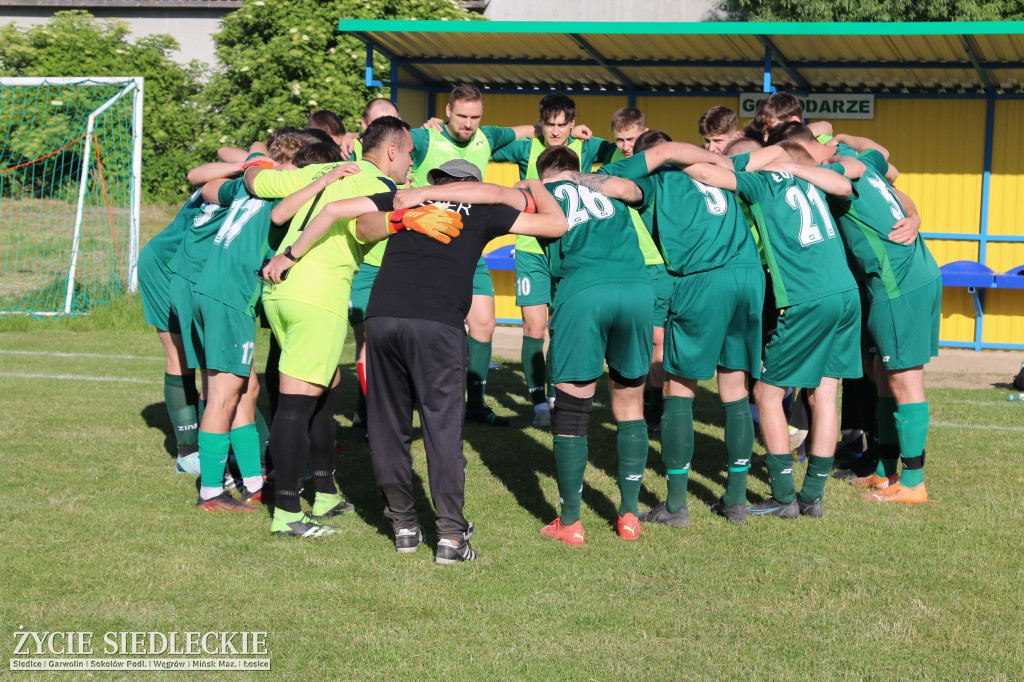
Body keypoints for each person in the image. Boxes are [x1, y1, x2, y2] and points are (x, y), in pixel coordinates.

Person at [322, 159, 568, 562]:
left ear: (437, 182)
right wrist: (537, 185)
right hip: (435, 323)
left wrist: (402, 217)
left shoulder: (409, 199)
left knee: (387, 427)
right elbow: (556, 224)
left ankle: (403, 525)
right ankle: (451, 537)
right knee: (442, 429)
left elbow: (363, 226)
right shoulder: (485, 208)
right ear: (472, 184)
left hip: (382, 317)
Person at [559, 135, 764, 528]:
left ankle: (675, 505)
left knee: (678, 387)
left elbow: (620, 187)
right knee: (734, 385)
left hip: (704, 279)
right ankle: (735, 500)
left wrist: (573, 177)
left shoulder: (659, 182)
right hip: (749, 275)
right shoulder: (715, 171)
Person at [243, 116, 415, 537]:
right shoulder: (382, 188)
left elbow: (258, 183)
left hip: (280, 292)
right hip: (317, 293)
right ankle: (286, 514)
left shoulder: (324, 169)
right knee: (296, 404)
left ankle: (324, 491)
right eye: (410, 153)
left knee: (326, 385)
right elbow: (367, 239)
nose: (412, 162)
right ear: (391, 150)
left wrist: (251, 158)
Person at [683, 145, 864, 519]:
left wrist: (725, 163)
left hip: (808, 296)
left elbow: (704, 174)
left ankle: (783, 496)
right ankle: (812, 496)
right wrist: (791, 165)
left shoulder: (761, 182)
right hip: (846, 293)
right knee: (824, 394)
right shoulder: (809, 180)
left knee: (766, 393)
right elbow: (845, 185)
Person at [768, 122, 938, 505]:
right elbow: (880, 153)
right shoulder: (860, 155)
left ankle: (913, 482)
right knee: (881, 375)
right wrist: (842, 138)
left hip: (898, 283)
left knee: (905, 381)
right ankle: (886, 469)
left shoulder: (843, 165)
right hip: (906, 277)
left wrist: (801, 165)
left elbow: (851, 173)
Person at [531, 146, 656, 544]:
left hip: (584, 291)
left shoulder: (540, 190)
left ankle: (570, 523)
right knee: (630, 403)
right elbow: (638, 185)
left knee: (573, 408)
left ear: (543, 173)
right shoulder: (606, 186)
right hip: (637, 289)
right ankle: (630, 516)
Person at [412, 85, 538, 426]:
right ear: (448, 111)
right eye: (462, 116)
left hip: (471, 251)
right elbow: (385, 142)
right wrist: (353, 137)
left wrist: (566, 131)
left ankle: (475, 404)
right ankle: (425, 399)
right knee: (430, 329)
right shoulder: (425, 138)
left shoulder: (488, 136)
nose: (468, 124)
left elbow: (530, 129)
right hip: (430, 251)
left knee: (483, 323)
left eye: (475, 117)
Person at [489, 93, 618, 427]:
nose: (556, 132)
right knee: (534, 326)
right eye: (550, 125)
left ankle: (556, 394)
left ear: (573, 124)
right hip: (531, 249)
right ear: (541, 122)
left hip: (569, 250)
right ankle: (539, 404)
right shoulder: (526, 147)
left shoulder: (587, 147)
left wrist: (594, 137)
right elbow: (484, 141)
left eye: (563, 125)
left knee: (562, 329)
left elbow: (627, 149)